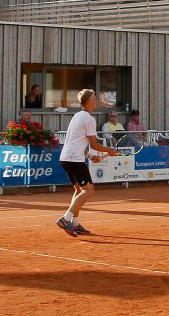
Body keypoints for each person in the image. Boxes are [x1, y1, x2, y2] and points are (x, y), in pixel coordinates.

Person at [54, 89, 122, 238]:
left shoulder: (77, 116)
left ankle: (76, 224)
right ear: (88, 101)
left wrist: (91, 156)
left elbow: (78, 142)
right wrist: (109, 150)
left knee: (79, 191)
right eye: (94, 98)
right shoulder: (89, 119)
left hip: (65, 158)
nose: (96, 100)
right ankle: (65, 219)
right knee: (88, 191)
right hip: (74, 160)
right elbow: (94, 144)